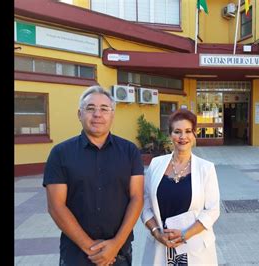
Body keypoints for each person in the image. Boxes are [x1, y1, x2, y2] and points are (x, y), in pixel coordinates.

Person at [43, 85, 144, 266]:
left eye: (104, 109)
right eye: (90, 108)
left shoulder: (130, 151)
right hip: (76, 253)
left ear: (112, 115)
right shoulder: (60, 153)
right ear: (79, 114)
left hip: (119, 252)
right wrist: (91, 248)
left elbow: (137, 198)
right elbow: (56, 206)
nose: (97, 114)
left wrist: (115, 245)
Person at [141, 109, 220, 265]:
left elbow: (212, 210)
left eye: (188, 131)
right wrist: (156, 233)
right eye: (177, 131)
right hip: (162, 244)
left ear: (194, 134)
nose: (183, 137)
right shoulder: (156, 164)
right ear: (170, 135)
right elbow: (145, 204)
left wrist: (185, 235)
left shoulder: (206, 168)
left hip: (194, 245)